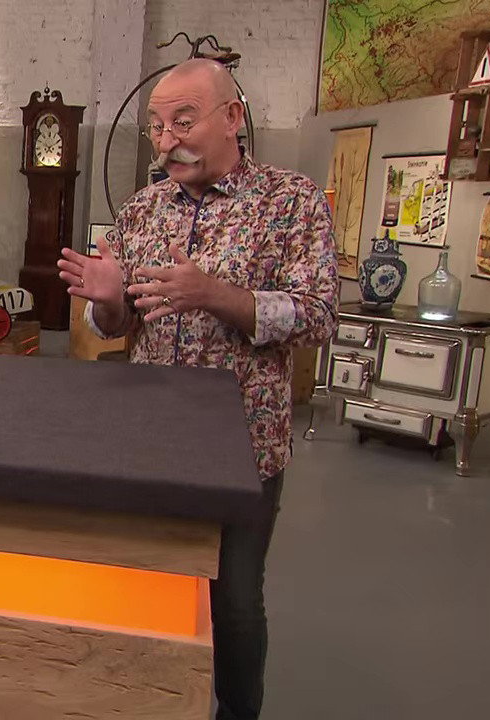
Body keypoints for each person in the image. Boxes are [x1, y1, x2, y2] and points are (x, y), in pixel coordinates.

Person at [58, 59, 338, 720]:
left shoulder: (291, 202)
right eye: (156, 127)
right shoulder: (142, 209)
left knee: (233, 600)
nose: (166, 141)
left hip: (246, 446)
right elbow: (114, 324)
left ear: (232, 117)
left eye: (183, 122)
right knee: (149, 586)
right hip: (152, 444)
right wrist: (107, 303)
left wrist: (216, 296)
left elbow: (319, 315)